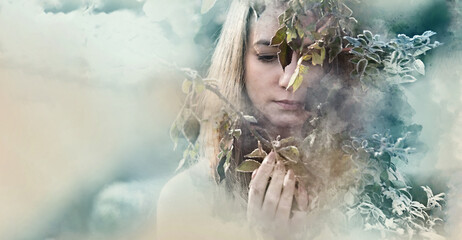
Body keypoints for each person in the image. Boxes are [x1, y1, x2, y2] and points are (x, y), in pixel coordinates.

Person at [157, 0, 444, 239]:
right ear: (237, 62)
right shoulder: (189, 199)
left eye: (313, 58)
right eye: (268, 56)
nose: (290, 79)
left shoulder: (376, 186)